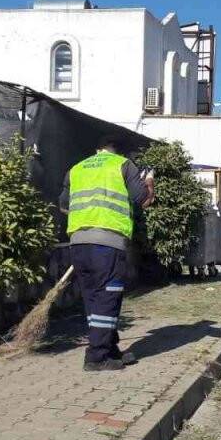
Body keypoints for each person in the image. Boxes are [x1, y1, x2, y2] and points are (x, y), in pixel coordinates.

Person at [60, 135, 154, 371]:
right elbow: (142, 200)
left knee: (93, 298)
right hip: (107, 243)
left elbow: (64, 205)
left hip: (79, 243)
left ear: (97, 149)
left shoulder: (77, 169)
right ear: (119, 151)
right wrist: (149, 182)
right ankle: (97, 357)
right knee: (107, 297)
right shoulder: (122, 165)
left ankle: (109, 348)